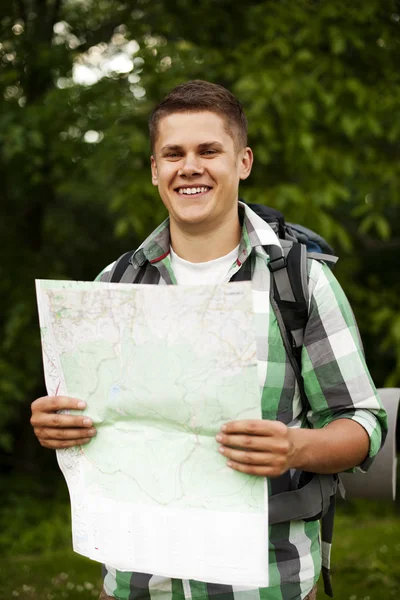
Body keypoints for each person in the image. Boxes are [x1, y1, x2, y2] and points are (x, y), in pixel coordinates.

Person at [31, 80, 387, 600]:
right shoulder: (114, 285)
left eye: (208, 151)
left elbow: (363, 423)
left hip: (270, 581)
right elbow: (99, 424)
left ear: (243, 162)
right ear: (155, 171)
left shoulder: (300, 281)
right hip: (137, 582)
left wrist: (295, 447)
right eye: (172, 153)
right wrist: (59, 425)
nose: (189, 166)